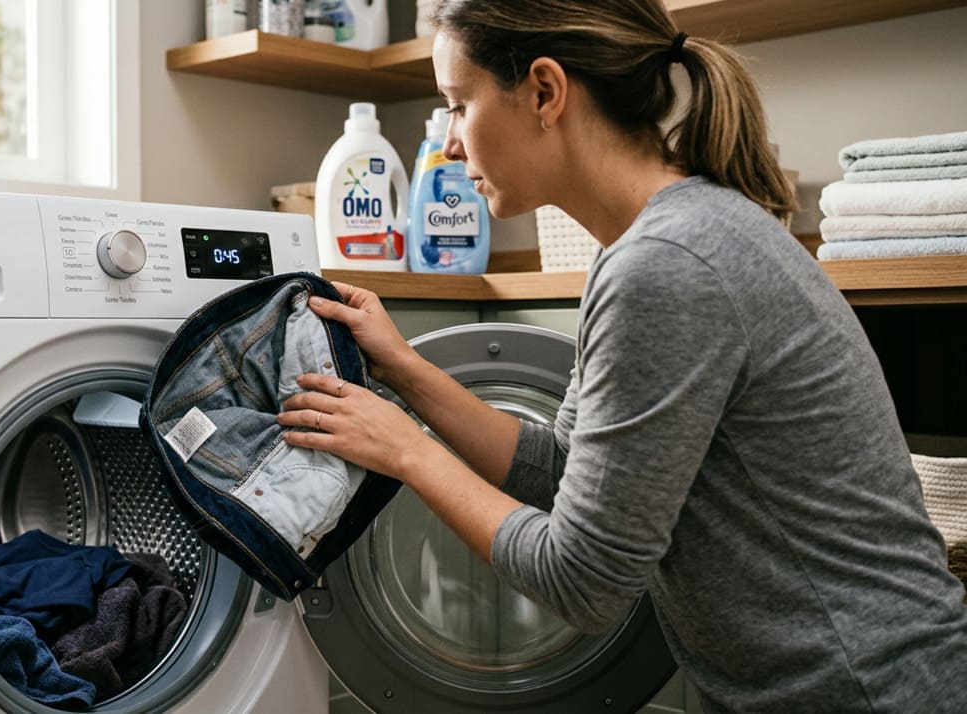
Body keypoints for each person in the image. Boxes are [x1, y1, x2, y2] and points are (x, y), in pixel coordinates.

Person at [277, 0, 967, 711]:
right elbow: (564, 470)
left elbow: (581, 580)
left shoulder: (666, 264)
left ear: (545, 92)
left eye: (459, 105)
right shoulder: (650, 244)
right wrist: (405, 371)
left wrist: (407, 452)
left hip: (868, 692)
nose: (452, 144)